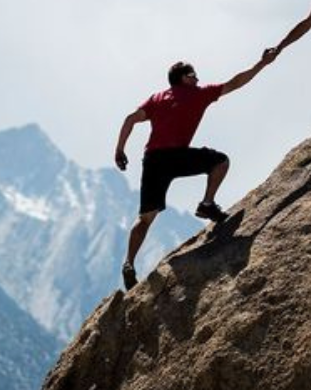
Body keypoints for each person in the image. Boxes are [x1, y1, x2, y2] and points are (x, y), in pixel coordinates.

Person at [114, 52, 274, 290]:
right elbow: (236, 82)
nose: (198, 79)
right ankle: (207, 204)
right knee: (220, 161)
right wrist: (262, 64)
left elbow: (129, 119)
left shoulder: (156, 98)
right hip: (177, 155)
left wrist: (120, 150)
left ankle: (128, 263)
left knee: (145, 218)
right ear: (183, 79)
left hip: (153, 159)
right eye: (193, 75)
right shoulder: (198, 94)